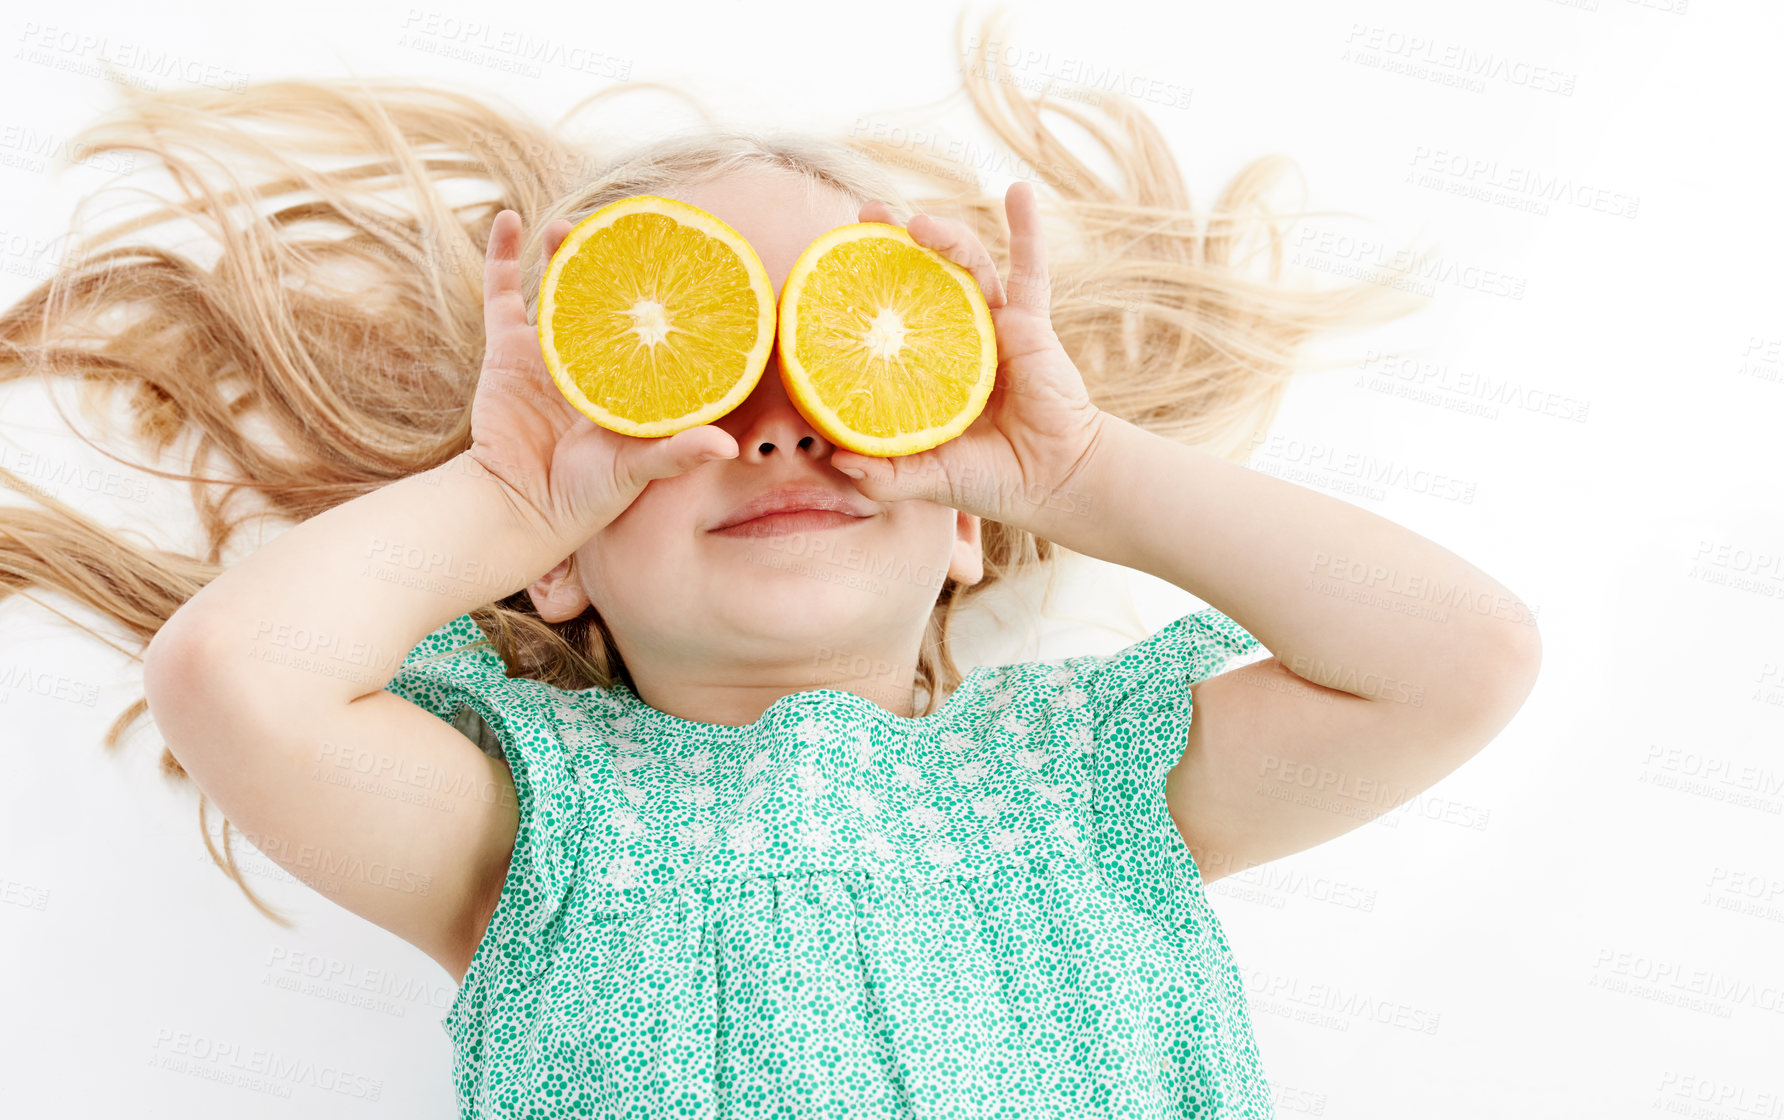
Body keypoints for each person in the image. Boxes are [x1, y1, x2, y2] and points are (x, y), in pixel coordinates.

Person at [1, 16, 1540, 1118]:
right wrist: (503, 482)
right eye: (682, 395)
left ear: (963, 531)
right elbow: (231, 677)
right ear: (559, 567)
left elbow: (1460, 657)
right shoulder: (533, 828)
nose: (780, 432)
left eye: (847, 369)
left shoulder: (1088, 784)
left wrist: (1083, 473)